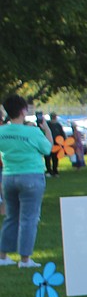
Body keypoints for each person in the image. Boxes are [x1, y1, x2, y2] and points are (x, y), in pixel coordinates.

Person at [0, 95, 52, 268]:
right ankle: (25, 259)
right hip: (31, 176)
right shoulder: (32, 132)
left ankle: (3, 256)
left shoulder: (2, 132)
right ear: (23, 111)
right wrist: (47, 130)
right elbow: (47, 148)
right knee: (29, 218)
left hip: (9, 176)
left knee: (11, 217)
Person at [45, 112, 64, 176]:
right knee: (48, 158)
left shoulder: (58, 125)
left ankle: (54, 170)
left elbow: (62, 134)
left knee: (54, 158)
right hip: (48, 143)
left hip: (56, 144)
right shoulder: (48, 124)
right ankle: (49, 171)